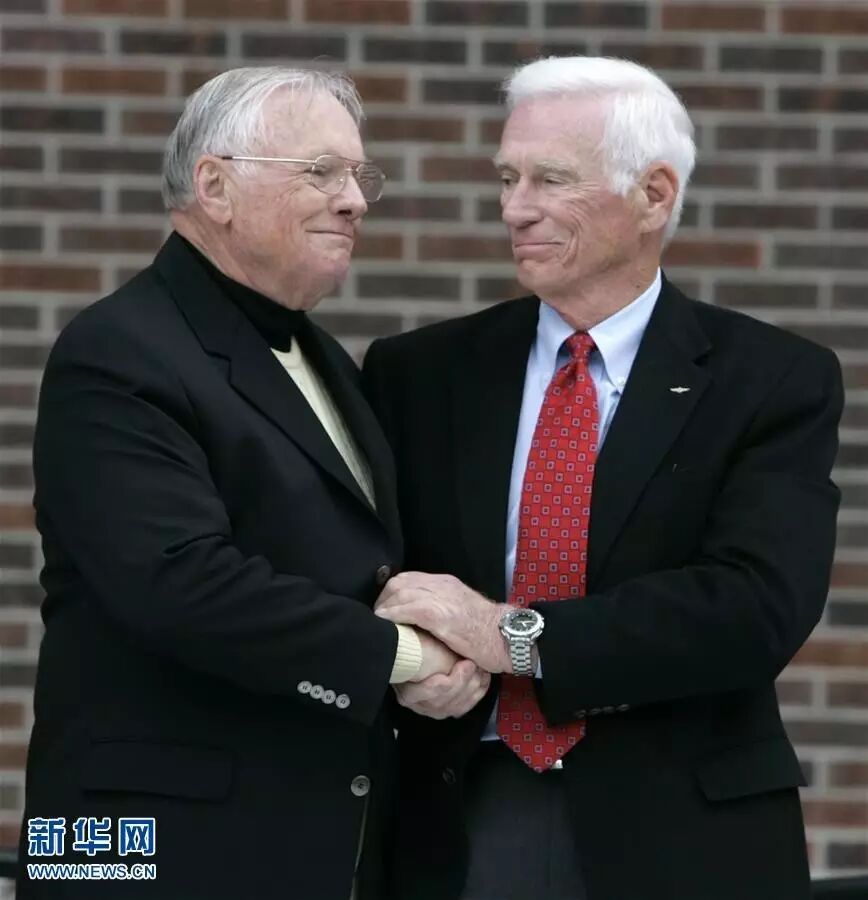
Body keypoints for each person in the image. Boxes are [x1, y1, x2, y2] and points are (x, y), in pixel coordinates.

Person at [363, 56, 844, 900]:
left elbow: (755, 607)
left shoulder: (772, 379)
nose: (515, 208)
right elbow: (370, 569)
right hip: (461, 812)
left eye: (550, 179)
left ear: (654, 195)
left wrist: (513, 636)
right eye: (507, 178)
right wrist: (414, 660)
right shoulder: (418, 373)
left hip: (685, 829)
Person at [18, 66, 470, 900]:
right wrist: (402, 656)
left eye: (360, 176)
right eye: (320, 171)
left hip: (308, 844)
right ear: (215, 187)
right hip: (145, 851)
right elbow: (179, 580)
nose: (354, 201)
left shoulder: (326, 360)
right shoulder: (116, 350)